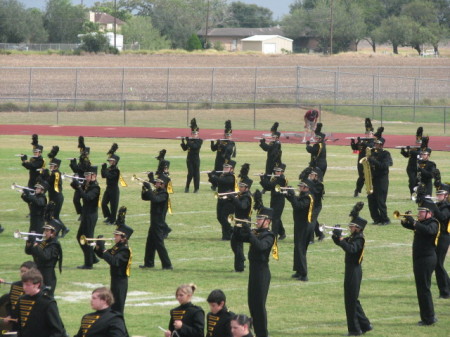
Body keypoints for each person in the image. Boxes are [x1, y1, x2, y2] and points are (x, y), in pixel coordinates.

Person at [332, 202, 373, 336]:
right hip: (351, 270)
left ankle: (355, 330)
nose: (349, 227)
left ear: (358, 228)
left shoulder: (359, 239)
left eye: (352, 226)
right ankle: (365, 325)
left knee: (350, 301)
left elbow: (351, 249)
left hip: (354, 271)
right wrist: (336, 237)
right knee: (353, 299)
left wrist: (342, 240)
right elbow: (343, 244)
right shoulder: (354, 236)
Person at [234, 205, 275, 337]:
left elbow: (260, 246)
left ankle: (262, 333)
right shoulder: (256, 233)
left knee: (259, 306)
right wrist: (237, 229)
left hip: (262, 273)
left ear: (267, 221)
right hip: (253, 272)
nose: (256, 221)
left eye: (260, 219)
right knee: (252, 304)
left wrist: (250, 233)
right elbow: (239, 239)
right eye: (257, 218)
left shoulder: (269, 235)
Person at [400, 206, 439, 326]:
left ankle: (429, 318)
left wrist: (415, 222)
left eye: (422, 212)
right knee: (422, 289)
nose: (419, 214)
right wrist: (406, 220)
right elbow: (412, 226)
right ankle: (428, 316)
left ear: (429, 213)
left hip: (426, 259)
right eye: (419, 212)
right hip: (420, 259)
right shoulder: (423, 223)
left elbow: (428, 231)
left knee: (424, 289)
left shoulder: (433, 223)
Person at [95, 207, 133, 314]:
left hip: (121, 282)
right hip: (115, 279)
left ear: (123, 238)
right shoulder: (117, 247)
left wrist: (103, 250)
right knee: (113, 307)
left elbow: (114, 261)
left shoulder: (125, 250)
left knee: (118, 310)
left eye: (117, 235)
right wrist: (98, 248)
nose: (114, 236)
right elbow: (105, 256)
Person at [11, 268, 66, 337]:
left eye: (28, 285)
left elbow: (57, 330)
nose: (24, 287)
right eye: (23, 284)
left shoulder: (47, 303)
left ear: (37, 285)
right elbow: (20, 325)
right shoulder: (21, 300)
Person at [25, 203, 63, 296]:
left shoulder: (54, 245)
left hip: (47, 275)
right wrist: (29, 244)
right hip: (38, 271)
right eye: (44, 230)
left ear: (53, 233)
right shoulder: (44, 242)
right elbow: (28, 252)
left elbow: (45, 256)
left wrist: (35, 246)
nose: (44, 232)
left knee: (46, 297)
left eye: (47, 231)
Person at [140, 176, 173, 270]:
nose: (156, 183)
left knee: (159, 244)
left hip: (158, 222)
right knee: (150, 243)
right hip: (154, 221)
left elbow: (155, 199)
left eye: (158, 182)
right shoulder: (157, 191)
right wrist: (144, 189)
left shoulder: (164, 194)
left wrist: (149, 188)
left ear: (163, 184)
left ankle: (167, 265)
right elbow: (145, 197)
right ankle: (149, 263)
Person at [71, 166, 101, 270]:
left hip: (91, 215)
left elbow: (87, 197)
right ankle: (92, 258)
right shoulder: (87, 184)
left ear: (94, 176)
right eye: (86, 175)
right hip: (86, 214)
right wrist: (74, 183)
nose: (86, 177)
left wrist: (79, 187)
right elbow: (77, 189)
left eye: (88, 175)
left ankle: (89, 264)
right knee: (80, 236)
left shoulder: (96, 187)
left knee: (87, 239)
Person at [285, 181, 314, 281]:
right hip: (299, 225)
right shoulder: (303, 195)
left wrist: (292, 196)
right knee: (297, 248)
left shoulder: (308, 197)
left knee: (300, 249)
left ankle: (304, 274)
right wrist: (287, 194)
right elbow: (295, 201)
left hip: (304, 226)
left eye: (301, 186)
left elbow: (297, 206)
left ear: (306, 188)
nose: (299, 187)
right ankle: (298, 271)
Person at [41, 145, 69, 237]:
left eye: (52, 166)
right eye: (51, 165)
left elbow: (49, 182)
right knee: (51, 215)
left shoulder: (56, 173)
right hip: (53, 197)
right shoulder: (53, 173)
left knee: (54, 216)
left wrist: (45, 176)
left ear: (56, 166)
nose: (51, 167)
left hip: (57, 197)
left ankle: (63, 229)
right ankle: (61, 229)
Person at [0, 261, 37, 329]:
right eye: (21, 271)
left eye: (25, 271)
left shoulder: (37, 287)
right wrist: (9, 315)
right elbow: (10, 303)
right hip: (16, 322)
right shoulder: (15, 285)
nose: (23, 274)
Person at [367, 128, 393, 225]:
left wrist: (373, 160)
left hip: (382, 180)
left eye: (377, 144)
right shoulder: (373, 153)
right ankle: (376, 219)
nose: (375, 145)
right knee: (371, 200)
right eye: (375, 143)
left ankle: (385, 219)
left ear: (381, 145)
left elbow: (384, 166)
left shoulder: (386, 154)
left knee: (380, 201)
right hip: (372, 179)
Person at [230, 164, 253, 272]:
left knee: (237, 244)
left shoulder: (247, 197)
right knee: (235, 243)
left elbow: (242, 206)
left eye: (242, 186)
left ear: (247, 188)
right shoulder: (242, 195)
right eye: (240, 186)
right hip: (239, 222)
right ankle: (241, 260)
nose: (240, 187)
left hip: (243, 223)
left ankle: (239, 267)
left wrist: (234, 199)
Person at [209, 160, 237, 241]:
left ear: (232, 169)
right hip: (221, 199)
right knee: (219, 217)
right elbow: (216, 183)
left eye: (227, 167)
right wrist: (210, 176)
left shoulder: (232, 177)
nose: (224, 168)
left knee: (224, 217)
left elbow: (223, 182)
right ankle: (227, 234)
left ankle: (229, 233)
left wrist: (214, 176)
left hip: (229, 201)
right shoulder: (223, 175)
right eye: (224, 167)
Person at [259, 163, 287, 240]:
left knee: (275, 218)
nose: (276, 173)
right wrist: (263, 179)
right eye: (275, 171)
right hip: (274, 199)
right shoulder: (275, 178)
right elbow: (267, 187)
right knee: (276, 216)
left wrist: (264, 179)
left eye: (278, 171)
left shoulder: (282, 179)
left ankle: (274, 236)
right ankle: (282, 233)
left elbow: (271, 185)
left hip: (279, 200)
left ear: (282, 172)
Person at [350, 119, 374, 197]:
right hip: (361, 162)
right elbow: (355, 148)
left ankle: (370, 192)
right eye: (367, 133)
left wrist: (363, 143)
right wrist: (353, 142)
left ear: (372, 134)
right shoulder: (363, 141)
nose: (368, 135)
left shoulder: (373, 141)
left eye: (369, 133)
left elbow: (370, 146)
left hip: (370, 162)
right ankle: (357, 190)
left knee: (371, 177)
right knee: (361, 177)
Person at [209, 120, 236, 191]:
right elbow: (213, 149)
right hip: (218, 160)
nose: (228, 136)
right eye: (227, 135)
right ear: (224, 135)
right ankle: (214, 185)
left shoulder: (231, 143)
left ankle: (223, 185)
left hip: (225, 161)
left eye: (229, 135)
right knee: (216, 172)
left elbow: (228, 149)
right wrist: (213, 142)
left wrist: (222, 145)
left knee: (224, 174)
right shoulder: (221, 141)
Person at [69, 136, 91, 220]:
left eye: (83, 153)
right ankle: (81, 213)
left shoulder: (87, 162)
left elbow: (81, 170)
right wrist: (72, 163)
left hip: (85, 183)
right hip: (79, 183)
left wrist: (75, 164)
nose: (81, 154)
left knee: (85, 200)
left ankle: (84, 214)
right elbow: (76, 170)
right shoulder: (81, 161)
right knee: (76, 200)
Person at [399, 128, 424, 198]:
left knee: (418, 181)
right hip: (411, 167)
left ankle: (419, 195)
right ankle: (412, 195)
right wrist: (403, 151)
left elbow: (419, 153)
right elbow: (407, 155)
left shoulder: (422, 147)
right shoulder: (413, 147)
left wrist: (410, 150)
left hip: (419, 168)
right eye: (417, 137)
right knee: (412, 181)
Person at [180, 118, 203, 193]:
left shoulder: (199, 141)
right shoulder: (190, 140)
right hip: (189, 159)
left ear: (198, 134)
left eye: (195, 133)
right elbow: (185, 149)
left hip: (196, 159)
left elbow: (195, 147)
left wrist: (188, 141)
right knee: (190, 173)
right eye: (193, 133)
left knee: (196, 174)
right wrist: (183, 142)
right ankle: (187, 187)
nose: (194, 135)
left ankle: (196, 189)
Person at [101, 143, 121, 225]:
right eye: (109, 160)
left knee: (113, 206)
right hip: (108, 188)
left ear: (115, 162)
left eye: (111, 161)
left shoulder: (116, 170)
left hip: (114, 189)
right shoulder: (109, 168)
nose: (110, 162)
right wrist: (103, 169)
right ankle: (109, 217)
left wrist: (105, 170)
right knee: (103, 203)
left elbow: (109, 176)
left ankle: (113, 220)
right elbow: (103, 176)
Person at [308, 168, 325, 243]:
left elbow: (315, 193)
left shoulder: (320, 185)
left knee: (311, 220)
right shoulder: (308, 183)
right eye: (310, 174)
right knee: (313, 220)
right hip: (309, 205)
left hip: (316, 206)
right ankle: (320, 234)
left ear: (316, 176)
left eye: (312, 174)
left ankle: (310, 239)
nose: (310, 176)